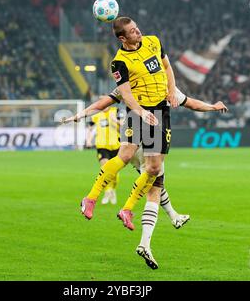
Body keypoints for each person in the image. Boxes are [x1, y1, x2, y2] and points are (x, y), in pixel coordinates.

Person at [63, 86, 228, 269]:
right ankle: (144, 242)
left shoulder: (130, 81)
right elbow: (191, 104)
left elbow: (105, 102)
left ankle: (173, 216)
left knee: (154, 181)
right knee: (153, 189)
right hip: (152, 137)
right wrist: (213, 107)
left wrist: (81, 115)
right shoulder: (164, 84)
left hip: (131, 138)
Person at [80, 16, 181, 231]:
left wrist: (172, 90)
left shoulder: (153, 41)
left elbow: (167, 67)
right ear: (123, 38)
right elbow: (125, 94)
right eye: (133, 31)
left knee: (154, 168)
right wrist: (141, 113)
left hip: (159, 111)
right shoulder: (119, 62)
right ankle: (91, 198)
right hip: (140, 112)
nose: (138, 32)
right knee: (124, 155)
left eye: (137, 28)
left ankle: (127, 209)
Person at [87, 105, 123, 204]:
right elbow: (90, 128)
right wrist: (89, 140)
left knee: (114, 172)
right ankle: (107, 192)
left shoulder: (116, 111)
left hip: (116, 145)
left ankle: (112, 190)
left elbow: (125, 125)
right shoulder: (96, 114)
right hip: (102, 145)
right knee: (105, 168)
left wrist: (115, 120)